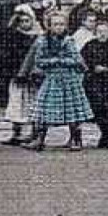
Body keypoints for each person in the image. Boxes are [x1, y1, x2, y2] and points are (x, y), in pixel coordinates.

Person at [18, 9, 93, 151]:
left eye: (61, 24)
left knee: (72, 110)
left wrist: (62, 61)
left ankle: (76, 138)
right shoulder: (42, 41)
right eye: (55, 24)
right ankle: (39, 138)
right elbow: (39, 61)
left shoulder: (69, 41)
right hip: (52, 78)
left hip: (69, 79)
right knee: (43, 109)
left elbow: (76, 60)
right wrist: (54, 61)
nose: (59, 27)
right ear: (49, 26)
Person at [0, 4, 43, 145]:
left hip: (32, 76)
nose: (24, 24)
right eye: (21, 21)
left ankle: (34, 133)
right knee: (16, 104)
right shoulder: (13, 36)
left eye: (27, 21)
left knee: (33, 104)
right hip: (17, 74)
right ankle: (16, 132)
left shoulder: (38, 37)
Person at [81, 20, 108, 149]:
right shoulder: (89, 45)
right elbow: (83, 60)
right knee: (98, 107)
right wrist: (93, 67)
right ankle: (104, 132)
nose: (102, 34)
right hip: (94, 81)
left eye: (105, 32)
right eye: (99, 32)